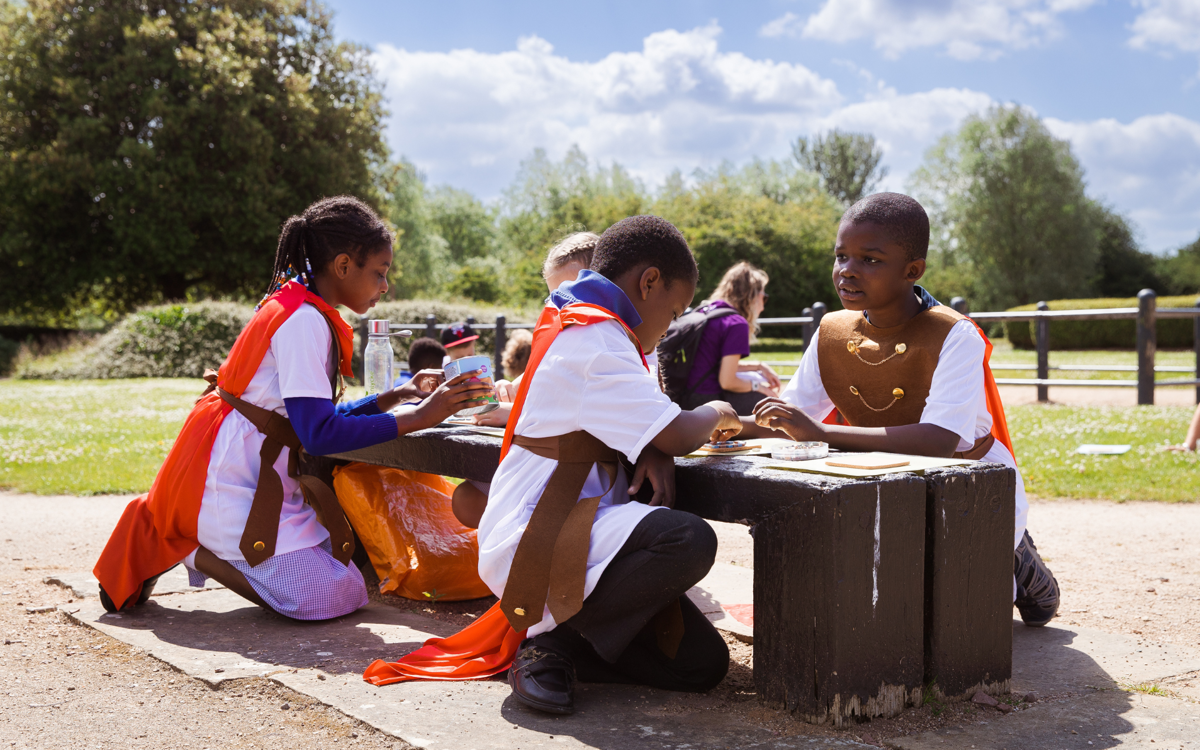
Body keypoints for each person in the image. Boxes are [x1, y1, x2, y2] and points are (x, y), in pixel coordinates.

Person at [364, 216, 743, 715]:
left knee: (700, 666)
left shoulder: (598, 326)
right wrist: (716, 410)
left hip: (584, 523)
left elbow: (645, 420)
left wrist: (654, 445)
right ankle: (551, 645)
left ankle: (571, 645)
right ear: (648, 282)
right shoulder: (595, 336)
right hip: (540, 531)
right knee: (688, 539)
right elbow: (675, 428)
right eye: (672, 313)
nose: (668, 328)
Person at [93, 196, 493, 619]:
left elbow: (313, 421)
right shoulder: (302, 320)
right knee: (332, 596)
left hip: (241, 468)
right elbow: (318, 436)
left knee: (347, 572)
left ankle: (182, 530)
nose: (385, 285)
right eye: (380, 272)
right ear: (343, 266)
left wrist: (395, 397)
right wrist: (421, 416)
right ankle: (190, 546)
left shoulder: (298, 305)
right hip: (231, 480)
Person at [741, 192, 1060, 628]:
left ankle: (1018, 559)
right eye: (841, 256)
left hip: (967, 481)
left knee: (964, 613)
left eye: (870, 259)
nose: (847, 270)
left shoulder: (954, 335)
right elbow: (794, 421)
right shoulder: (831, 332)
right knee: (892, 609)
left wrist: (819, 432)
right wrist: (727, 425)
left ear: (912, 271)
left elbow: (940, 442)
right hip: (882, 473)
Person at [451, 232, 599, 527]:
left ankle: (542, 547)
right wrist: (506, 389)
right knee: (467, 498)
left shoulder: (603, 340)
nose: (561, 305)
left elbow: (579, 410)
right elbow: (529, 384)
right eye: (553, 297)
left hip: (582, 473)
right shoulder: (560, 337)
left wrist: (513, 414)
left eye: (571, 294)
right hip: (550, 462)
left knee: (472, 500)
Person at [678, 262, 781, 415]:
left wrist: (759, 366)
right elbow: (727, 381)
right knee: (770, 405)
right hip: (707, 401)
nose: (763, 306)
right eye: (764, 297)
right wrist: (759, 387)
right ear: (751, 295)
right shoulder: (736, 323)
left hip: (684, 396)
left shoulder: (706, 312)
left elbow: (715, 366)